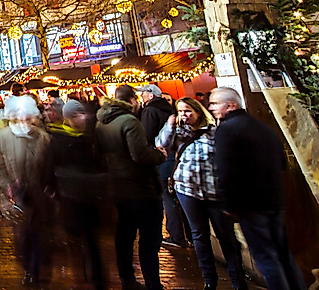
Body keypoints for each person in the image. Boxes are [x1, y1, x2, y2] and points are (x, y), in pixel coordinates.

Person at [210, 87, 306, 290]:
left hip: (250, 205)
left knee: (266, 258)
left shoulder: (227, 130)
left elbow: (225, 170)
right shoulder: (263, 127)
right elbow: (281, 163)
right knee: (283, 254)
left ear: (231, 105)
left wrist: (227, 203)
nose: (211, 108)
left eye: (215, 103)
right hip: (275, 200)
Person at [160, 96, 246, 290]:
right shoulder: (178, 132)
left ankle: (238, 281)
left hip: (213, 191)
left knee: (226, 237)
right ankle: (209, 280)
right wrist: (170, 124)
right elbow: (163, 144)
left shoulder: (215, 132)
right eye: (181, 111)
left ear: (198, 111)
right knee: (199, 236)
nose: (184, 115)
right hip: (187, 190)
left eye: (188, 111)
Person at [97, 84, 166, 290]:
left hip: (118, 187)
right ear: (133, 100)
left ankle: (126, 277)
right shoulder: (130, 121)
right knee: (149, 239)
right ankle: (153, 283)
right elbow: (141, 155)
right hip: (140, 187)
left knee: (124, 235)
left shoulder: (101, 123)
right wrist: (159, 155)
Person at [0, 95, 52, 286]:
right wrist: (6, 184)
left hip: (40, 196)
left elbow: (50, 165)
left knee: (40, 235)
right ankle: (29, 270)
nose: (24, 121)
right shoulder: (1, 136)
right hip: (15, 197)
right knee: (23, 236)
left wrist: (50, 187)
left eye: (28, 116)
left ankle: (39, 272)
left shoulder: (43, 138)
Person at [50, 99, 106, 290]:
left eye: (82, 114)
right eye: (77, 115)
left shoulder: (91, 136)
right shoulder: (58, 139)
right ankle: (80, 279)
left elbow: (100, 163)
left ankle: (98, 280)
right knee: (74, 242)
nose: (82, 118)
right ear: (68, 118)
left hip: (89, 198)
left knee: (92, 241)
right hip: (69, 198)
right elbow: (50, 168)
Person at [137, 83, 186, 247]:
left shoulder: (150, 110)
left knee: (166, 195)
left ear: (151, 95)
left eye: (143, 93)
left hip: (161, 155)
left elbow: (146, 134)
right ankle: (186, 234)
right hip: (174, 155)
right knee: (175, 194)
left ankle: (176, 235)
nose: (141, 96)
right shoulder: (169, 109)